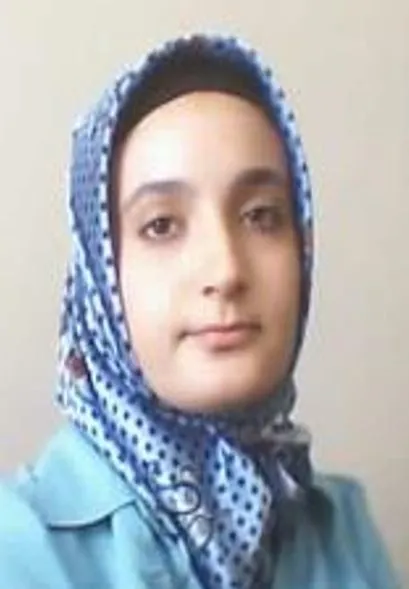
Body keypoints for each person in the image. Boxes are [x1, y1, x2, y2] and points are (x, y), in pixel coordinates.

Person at [0, 33, 400, 588]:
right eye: (161, 225)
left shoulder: (341, 528)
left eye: (261, 216)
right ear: (100, 276)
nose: (226, 271)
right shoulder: (17, 549)